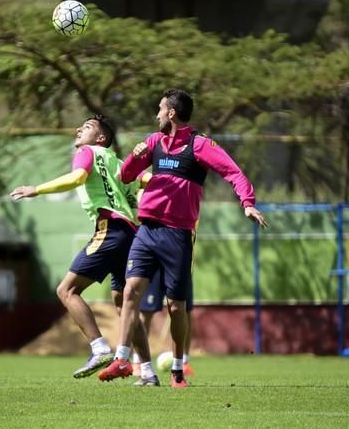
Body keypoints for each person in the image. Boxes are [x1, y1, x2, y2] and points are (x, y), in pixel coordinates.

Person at [99, 89, 267, 388]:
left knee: (175, 307)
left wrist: (248, 202)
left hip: (178, 235)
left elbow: (234, 172)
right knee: (130, 293)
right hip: (147, 231)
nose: (157, 115)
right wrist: (135, 159)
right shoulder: (153, 142)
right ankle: (123, 359)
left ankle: (178, 370)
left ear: (172, 113)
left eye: (160, 110)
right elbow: (125, 176)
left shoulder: (200, 145)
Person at [10, 115, 159, 385]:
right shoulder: (120, 163)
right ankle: (147, 371)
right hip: (131, 235)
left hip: (110, 229)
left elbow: (78, 177)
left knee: (66, 290)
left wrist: (37, 189)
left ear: (100, 138)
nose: (79, 129)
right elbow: (148, 180)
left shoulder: (87, 152)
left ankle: (99, 348)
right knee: (124, 305)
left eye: (87, 127)